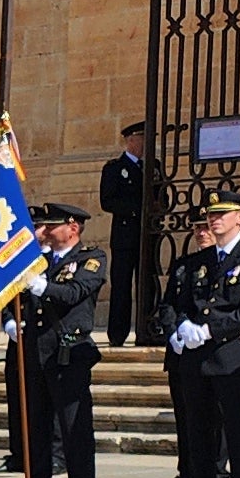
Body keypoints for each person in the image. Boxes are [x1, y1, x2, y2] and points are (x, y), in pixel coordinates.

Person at [161, 199, 240, 478]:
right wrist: (182, 325)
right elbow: (184, 301)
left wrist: (210, 330)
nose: (214, 220)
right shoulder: (199, 261)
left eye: (221, 214)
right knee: (198, 429)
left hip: (230, 355)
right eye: (211, 215)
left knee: (238, 430)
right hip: (197, 358)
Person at [10, 206, 105, 478]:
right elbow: (19, 297)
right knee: (35, 426)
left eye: (51, 226)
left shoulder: (91, 259)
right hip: (36, 351)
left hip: (68, 353)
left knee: (73, 426)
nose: (45, 231)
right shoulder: (38, 261)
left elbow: (75, 293)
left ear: (72, 227)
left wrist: (43, 286)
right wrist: (12, 320)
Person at [102, 119, 153, 347]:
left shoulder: (154, 166)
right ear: (131, 140)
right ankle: (117, 334)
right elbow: (108, 201)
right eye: (142, 138)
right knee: (122, 285)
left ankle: (147, 329)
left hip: (148, 235)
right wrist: (137, 210)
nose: (146, 144)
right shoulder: (114, 168)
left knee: (148, 284)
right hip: (125, 235)